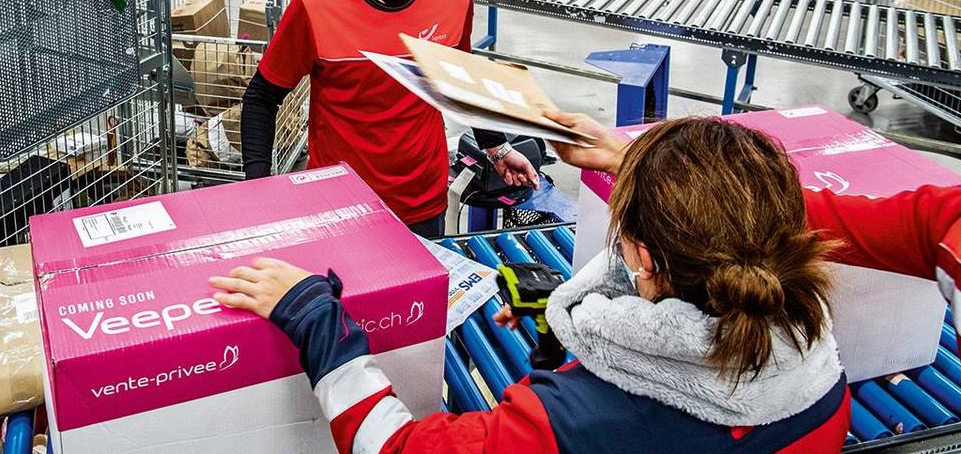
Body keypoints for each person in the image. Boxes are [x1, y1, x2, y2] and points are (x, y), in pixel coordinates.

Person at [211, 117, 849, 453]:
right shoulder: (816, 359)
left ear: (643, 259)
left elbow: (395, 447)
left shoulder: (574, 423)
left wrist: (318, 322)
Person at [544, 108, 961, 435]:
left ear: (643, 258)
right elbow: (815, 216)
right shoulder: (823, 393)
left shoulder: (560, 422)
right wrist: (645, 168)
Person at [238, 0, 537, 237]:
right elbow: (262, 97)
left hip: (421, 198)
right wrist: (256, 185)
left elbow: (459, 82)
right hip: (337, 198)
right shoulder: (316, 6)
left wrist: (497, 148)